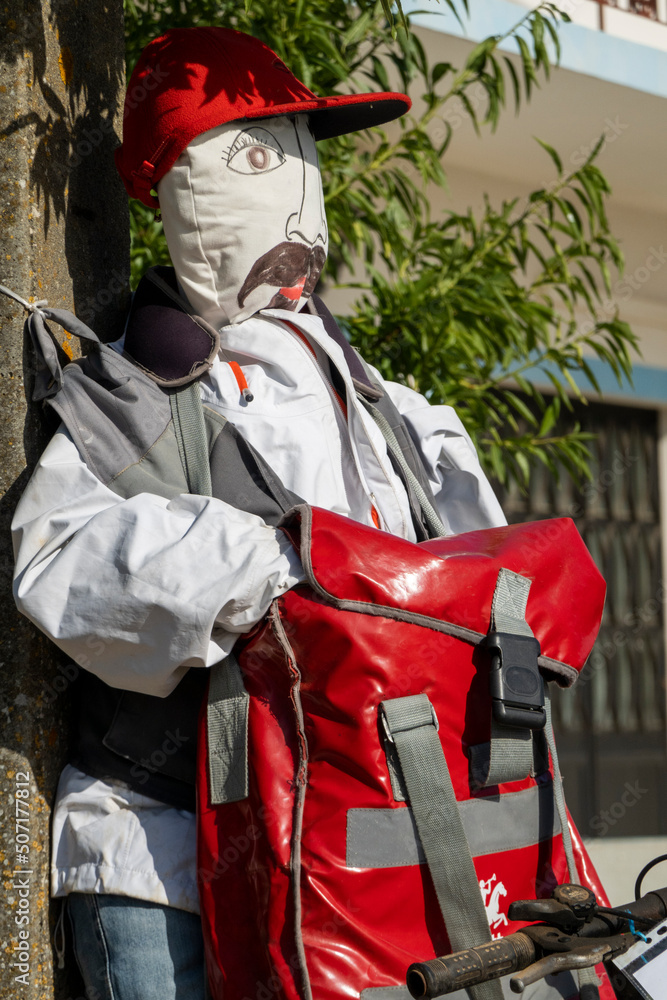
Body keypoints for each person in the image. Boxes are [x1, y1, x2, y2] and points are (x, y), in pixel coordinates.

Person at [11, 26, 506, 1000]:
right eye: (255, 155)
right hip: (159, 859)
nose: (295, 187)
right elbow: (56, 556)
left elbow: (470, 577)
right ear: (179, 189)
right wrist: (272, 560)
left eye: (303, 151)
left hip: (343, 854)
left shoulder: (387, 407)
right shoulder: (135, 392)